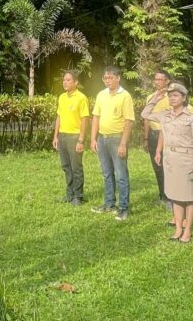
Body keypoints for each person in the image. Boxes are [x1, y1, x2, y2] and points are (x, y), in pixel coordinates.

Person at [142, 82, 193, 243]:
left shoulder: (192, 117)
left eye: (176, 95)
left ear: (184, 98)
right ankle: (178, 228)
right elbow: (145, 113)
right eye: (170, 96)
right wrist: (155, 98)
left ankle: (188, 230)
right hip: (170, 159)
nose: (172, 98)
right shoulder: (165, 115)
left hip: (187, 159)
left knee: (189, 197)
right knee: (175, 197)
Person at [89, 65, 135, 220]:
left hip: (117, 139)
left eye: (110, 78)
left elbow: (128, 121)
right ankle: (109, 204)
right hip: (102, 139)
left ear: (118, 78)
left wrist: (123, 143)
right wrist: (93, 138)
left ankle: (124, 208)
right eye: (105, 78)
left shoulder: (125, 96)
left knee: (121, 174)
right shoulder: (101, 95)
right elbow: (96, 116)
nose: (107, 81)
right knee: (107, 173)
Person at [53, 69, 89, 206]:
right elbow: (59, 117)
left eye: (68, 80)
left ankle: (78, 196)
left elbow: (85, 120)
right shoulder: (62, 97)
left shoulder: (81, 98)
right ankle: (69, 194)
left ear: (76, 82)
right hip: (62, 136)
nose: (65, 82)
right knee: (66, 167)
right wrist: (56, 136)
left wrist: (81, 140)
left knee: (76, 167)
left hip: (74, 137)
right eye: (64, 80)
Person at [142, 69, 172, 210]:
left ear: (167, 81)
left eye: (161, 79)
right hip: (153, 135)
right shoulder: (151, 97)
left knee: (169, 167)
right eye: (156, 79)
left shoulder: (171, 97)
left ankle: (172, 197)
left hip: (167, 135)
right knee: (157, 167)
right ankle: (163, 196)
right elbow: (146, 119)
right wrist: (146, 138)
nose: (157, 82)